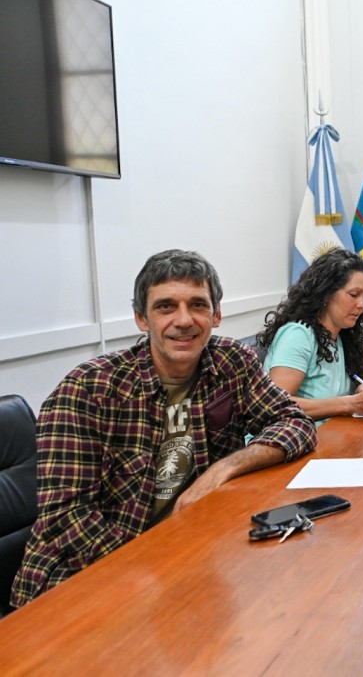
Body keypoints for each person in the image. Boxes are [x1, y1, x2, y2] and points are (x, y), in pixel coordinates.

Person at [11, 250, 317, 607]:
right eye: (165, 306)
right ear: (142, 319)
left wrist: (224, 468)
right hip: (82, 582)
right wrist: (163, 565)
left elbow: (294, 422)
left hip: (192, 561)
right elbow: (67, 520)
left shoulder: (233, 362)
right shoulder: (88, 389)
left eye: (198, 305)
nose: (184, 320)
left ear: (216, 315)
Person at [257, 249, 363, 420]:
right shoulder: (299, 334)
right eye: (354, 295)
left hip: (332, 434)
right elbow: (275, 405)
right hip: (290, 439)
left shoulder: (345, 334)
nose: (362, 305)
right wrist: (350, 404)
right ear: (326, 293)